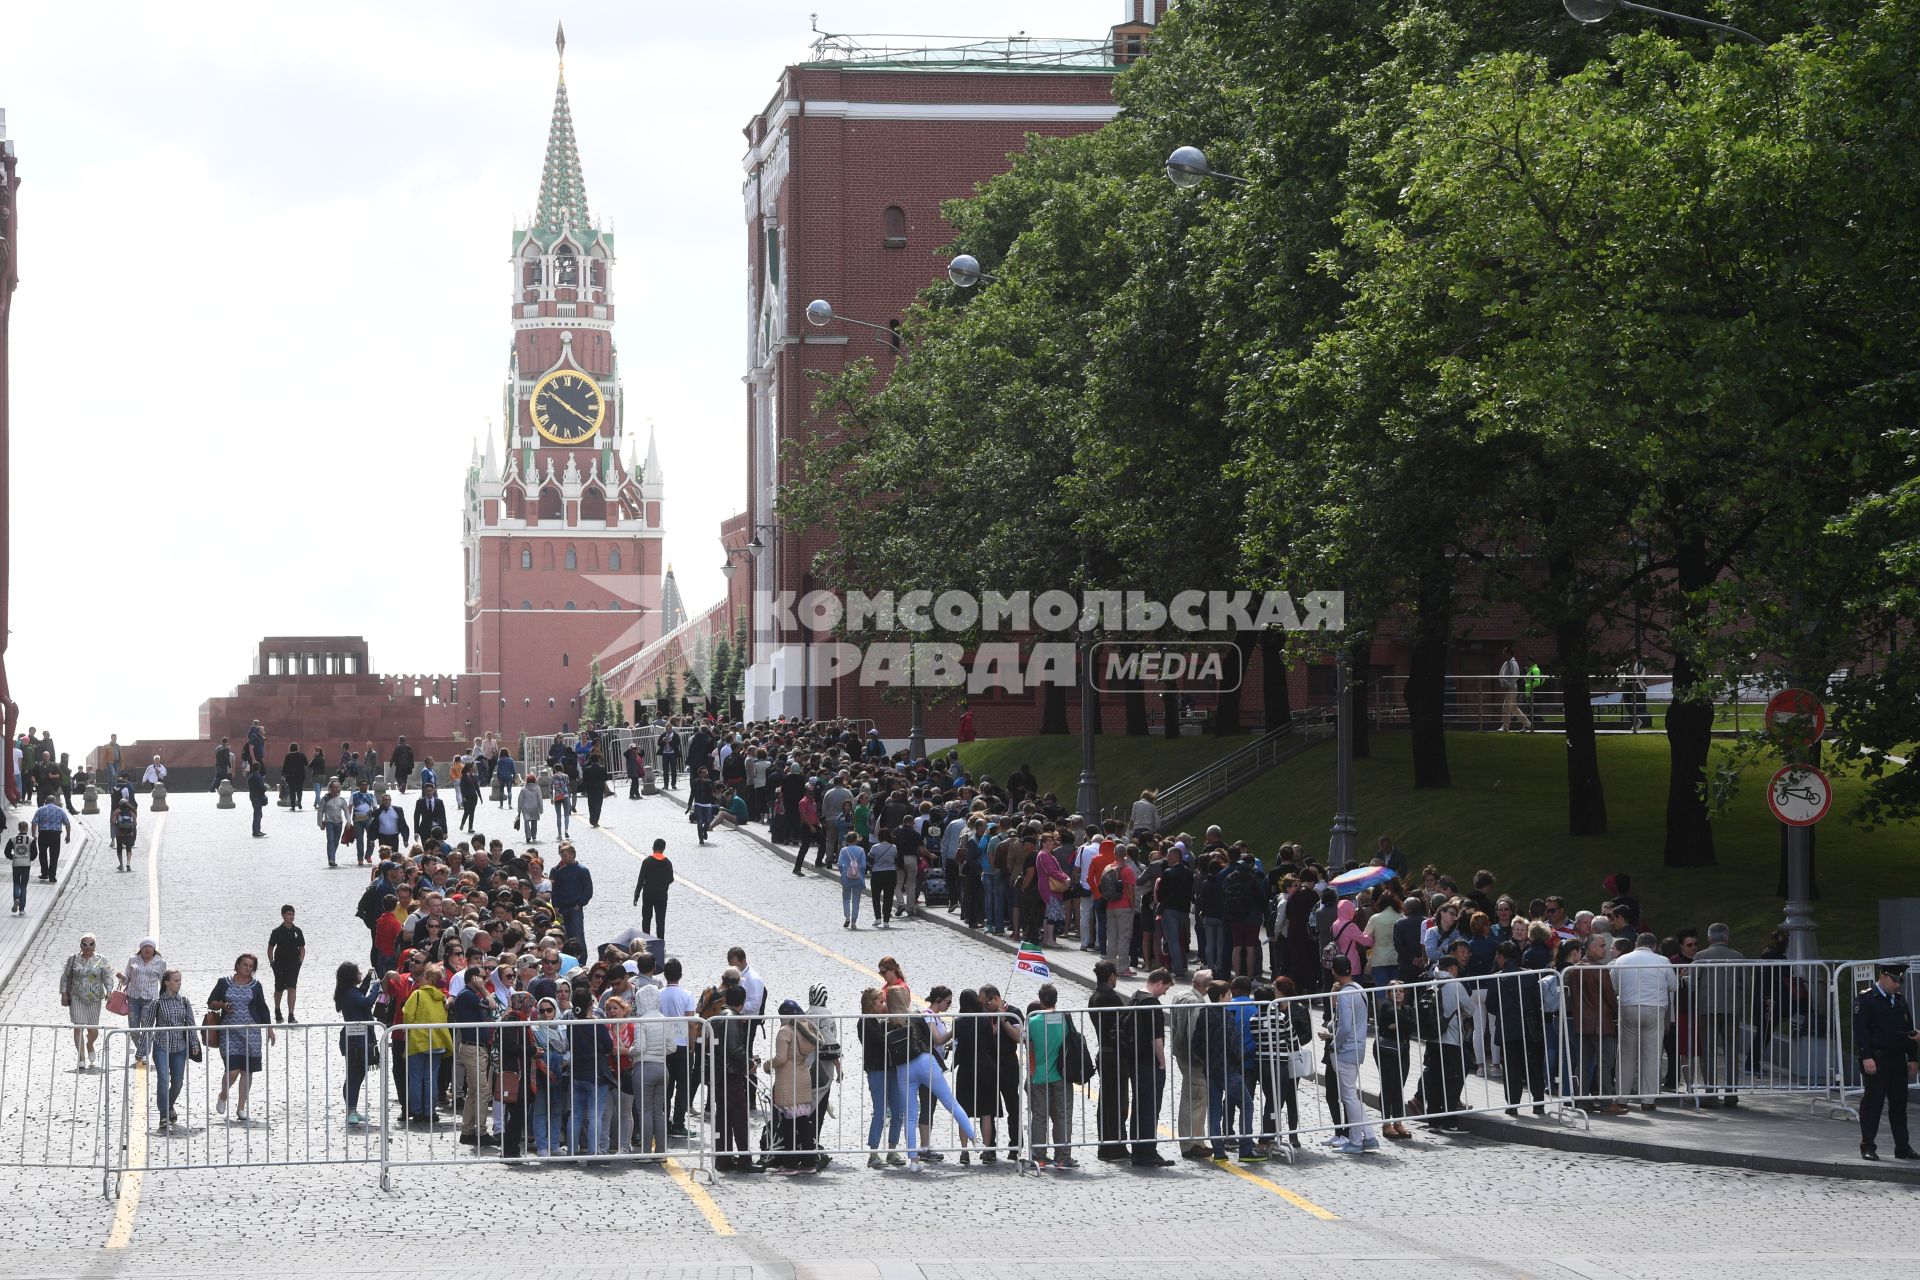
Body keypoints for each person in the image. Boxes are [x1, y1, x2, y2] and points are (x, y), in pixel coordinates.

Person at [890, 984, 978, 1170]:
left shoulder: (888, 1020)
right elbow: (935, 1039)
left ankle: (913, 1160)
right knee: (951, 1103)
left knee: (910, 1115)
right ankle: (974, 1138)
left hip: (902, 1068)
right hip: (923, 1061)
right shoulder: (918, 1014)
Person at [1853, 963, 1918, 1161]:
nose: (1897, 985)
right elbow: (1861, 1030)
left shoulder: (1898, 1000)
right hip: (1877, 1059)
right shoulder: (1866, 998)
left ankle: (1902, 1146)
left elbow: (1909, 1030)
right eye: (1894, 980)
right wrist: (1866, 1056)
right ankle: (1868, 1146)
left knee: (1899, 1105)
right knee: (1873, 1103)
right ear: (1883, 976)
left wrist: (1913, 1058)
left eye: (1899, 981)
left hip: (1898, 1059)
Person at [1612, 932, 1677, 1111]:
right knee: (1652, 1054)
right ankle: (1648, 1100)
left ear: (1636, 945)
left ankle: (1621, 1098)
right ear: (1654, 946)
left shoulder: (1622, 960)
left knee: (1625, 1054)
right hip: (1654, 1008)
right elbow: (1673, 985)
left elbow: (1614, 985)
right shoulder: (1663, 961)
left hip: (1628, 1007)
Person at [210, 953, 275, 1122]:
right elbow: (211, 1002)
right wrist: (223, 1005)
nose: (247, 968)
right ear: (237, 965)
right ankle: (223, 1094)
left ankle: (241, 1107)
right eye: (244, 964)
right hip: (229, 1031)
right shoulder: (224, 982)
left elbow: (262, 1008)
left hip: (251, 1032)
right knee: (232, 1071)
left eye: (251, 966)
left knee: (247, 1071)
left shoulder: (255, 986)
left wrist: (269, 1029)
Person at [1323, 955, 1378, 1152]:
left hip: (1347, 1049)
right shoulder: (1360, 989)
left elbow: (1345, 1027)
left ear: (1334, 972)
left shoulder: (1346, 994)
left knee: (1348, 1097)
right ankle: (1369, 1136)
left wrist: (1333, 1045)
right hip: (1358, 1047)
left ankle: (1356, 1141)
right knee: (1351, 1096)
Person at [763, 998, 823, 1172]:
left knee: (789, 1123)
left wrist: (767, 1065)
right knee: (802, 1121)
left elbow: (781, 1058)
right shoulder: (807, 1029)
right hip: (804, 1076)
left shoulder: (785, 1031)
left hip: (788, 1080)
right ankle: (809, 1162)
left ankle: (790, 1164)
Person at [1124, 969, 1174, 1167]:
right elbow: (1157, 1037)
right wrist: (1162, 1062)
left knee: (1139, 1107)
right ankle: (1147, 1151)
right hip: (1148, 1062)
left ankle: (1139, 1150)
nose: (1164, 993)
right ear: (1159, 983)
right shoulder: (1152, 1003)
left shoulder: (1135, 997)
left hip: (1135, 1060)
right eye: (1165, 988)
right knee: (1150, 1108)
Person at [399, 963, 451, 1124]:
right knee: (431, 1078)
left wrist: (407, 1031)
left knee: (416, 1077)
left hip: (419, 1040)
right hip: (437, 1042)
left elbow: (408, 1014)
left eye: (423, 976)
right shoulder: (441, 997)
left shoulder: (418, 994)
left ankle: (418, 1112)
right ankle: (431, 1111)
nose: (420, 979)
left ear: (428, 980)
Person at [150, 969, 197, 1133]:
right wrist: (141, 1050)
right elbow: (148, 1027)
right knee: (163, 1079)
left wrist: (194, 1043)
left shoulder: (184, 1001)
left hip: (180, 1047)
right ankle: (163, 1114)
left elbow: (191, 1024)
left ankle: (169, 1104)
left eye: (180, 980)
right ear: (167, 982)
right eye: (175, 980)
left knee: (177, 1082)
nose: (179, 983)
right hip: (161, 1045)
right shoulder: (157, 1003)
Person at [334, 962, 380, 1127]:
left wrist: (368, 978)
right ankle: (350, 1110)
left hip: (358, 1038)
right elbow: (366, 1002)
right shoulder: (350, 994)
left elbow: (360, 993)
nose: (360, 973)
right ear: (352, 976)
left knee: (356, 1075)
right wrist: (376, 987)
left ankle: (352, 1109)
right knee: (354, 1076)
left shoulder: (349, 992)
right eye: (359, 972)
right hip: (355, 1041)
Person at [60, 934, 114, 1069]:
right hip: (77, 996)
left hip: (94, 997)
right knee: (78, 1027)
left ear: (95, 945)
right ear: (80, 946)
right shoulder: (73, 959)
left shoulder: (102, 960)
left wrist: (109, 990)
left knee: (93, 1029)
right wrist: (64, 993)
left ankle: (90, 1044)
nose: (88, 947)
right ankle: (81, 1057)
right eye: (85, 944)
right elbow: (65, 977)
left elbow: (108, 977)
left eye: (91, 944)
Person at [118, 937, 168, 1064]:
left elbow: (163, 982)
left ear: (153, 949)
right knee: (133, 1029)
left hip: (150, 999)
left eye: (150, 947)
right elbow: (126, 980)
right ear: (140, 948)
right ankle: (141, 1049)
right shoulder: (132, 960)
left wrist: (165, 999)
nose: (147, 949)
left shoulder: (160, 962)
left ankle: (144, 1054)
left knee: (147, 1027)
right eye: (145, 947)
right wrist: (121, 977)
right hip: (133, 998)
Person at [551, 843, 594, 959]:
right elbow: (556, 890)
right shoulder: (560, 872)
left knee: (578, 935)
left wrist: (580, 903)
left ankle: (582, 958)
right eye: (562, 856)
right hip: (563, 908)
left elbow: (588, 890)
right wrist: (556, 905)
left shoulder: (582, 870)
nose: (563, 858)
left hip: (575, 908)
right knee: (567, 935)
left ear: (572, 855)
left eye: (565, 856)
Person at [267, 905, 307, 1023]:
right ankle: (277, 1010)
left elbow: (302, 947)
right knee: (279, 988)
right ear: (283, 915)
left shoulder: (297, 931)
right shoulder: (276, 932)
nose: (291, 917)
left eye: (292, 914)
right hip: (279, 964)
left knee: (292, 987)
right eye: (289, 914)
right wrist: (271, 962)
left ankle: (291, 1014)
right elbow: (270, 947)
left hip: (294, 964)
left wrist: (300, 961)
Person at [633, 838, 674, 941]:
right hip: (661, 896)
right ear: (664, 849)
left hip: (648, 895)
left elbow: (640, 880)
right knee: (660, 921)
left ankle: (645, 943)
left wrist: (636, 896)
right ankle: (661, 943)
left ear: (653, 848)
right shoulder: (668, 863)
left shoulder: (647, 861)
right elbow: (671, 879)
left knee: (646, 919)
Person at [32, 795, 71, 881]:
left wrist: (33, 835)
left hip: (43, 834)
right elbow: (67, 823)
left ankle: (44, 874)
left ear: (46, 801)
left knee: (42, 855)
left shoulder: (40, 810)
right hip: (55, 835)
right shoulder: (60, 810)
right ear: (55, 801)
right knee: (54, 856)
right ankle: (52, 876)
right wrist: (68, 836)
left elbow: (34, 823)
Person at [837, 835, 868, 931]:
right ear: (856, 840)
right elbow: (863, 865)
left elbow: (839, 864)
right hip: (858, 877)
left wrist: (843, 873)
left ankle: (847, 917)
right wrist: (861, 876)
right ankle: (854, 921)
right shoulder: (861, 850)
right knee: (856, 900)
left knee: (846, 898)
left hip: (846, 876)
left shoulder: (844, 850)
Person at [317, 780, 350, 867]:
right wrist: (320, 823)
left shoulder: (341, 800)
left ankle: (332, 855)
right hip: (329, 822)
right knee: (330, 840)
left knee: (335, 842)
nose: (336, 789)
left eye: (337, 787)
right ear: (330, 788)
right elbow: (320, 811)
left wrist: (348, 821)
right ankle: (331, 860)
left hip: (339, 822)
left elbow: (346, 811)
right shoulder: (325, 799)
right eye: (335, 787)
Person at [1498, 647, 1531, 731]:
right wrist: (1503, 684)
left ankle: (1505, 726)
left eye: (1504, 653)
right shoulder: (1507, 663)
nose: (1503, 655)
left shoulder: (1513, 663)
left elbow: (1515, 676)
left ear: (1509, 654)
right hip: (1509, 688)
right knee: (1513, 708)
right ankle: (1527, 724)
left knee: (1506, 708)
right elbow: (1501, 674)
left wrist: (1507, 685)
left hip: (1511, 689)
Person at [7, 820, 35, 913]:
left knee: (16, 884)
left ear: (19, 828)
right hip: (26, 864)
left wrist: (12, 857)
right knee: (23, 886)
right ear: (27, 828)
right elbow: (35, 853)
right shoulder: (31, 839)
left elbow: (6, 852)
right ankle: (22, 909)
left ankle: (16, 899)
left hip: (16, 864)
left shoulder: (13, 839)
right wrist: (29, 858)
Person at [686, 767, 718, 845]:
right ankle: (701, 839)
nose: (705, 773)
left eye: (706, 772)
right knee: (699, 821)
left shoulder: (710, 782)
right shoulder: (696, 782)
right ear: (699, 774)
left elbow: (713, 791)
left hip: (707, 804)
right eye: (703, 772)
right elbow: (692, 794)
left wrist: (706, 782)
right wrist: (689, 805)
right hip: (698, 804)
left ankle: (704, 831)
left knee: (707, 822)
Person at [516, 774, 544, 843]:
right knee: (534, 822)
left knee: (526, 822)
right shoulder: (537, 789)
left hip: (525, 808)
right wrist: (541, 809)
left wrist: (519, 809)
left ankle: (528, 837)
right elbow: (540, 799)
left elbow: (520, 800)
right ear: (535, 780)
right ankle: (534, 836)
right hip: (535, 807)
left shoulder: (523, 789)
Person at [281, 743, 308, 810]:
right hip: (300, 775)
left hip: (290, 776)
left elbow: (285, 766)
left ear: (290, 748)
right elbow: (306, 763)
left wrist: (283, 775)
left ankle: (293, 806)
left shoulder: (288, 756)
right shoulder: (302, 755)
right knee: (299, 789)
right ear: (297, 748)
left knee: (292, 790)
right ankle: (299, 802)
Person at [247, 764, 270, 839]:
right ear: (259, 769)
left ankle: (257, 830)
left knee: (258, 813)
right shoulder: (258, 777)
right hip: (258, 797)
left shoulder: (250, 776)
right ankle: (256, 831)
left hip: (253, 796)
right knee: (258, 814)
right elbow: (261, 788)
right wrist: (265, 788)